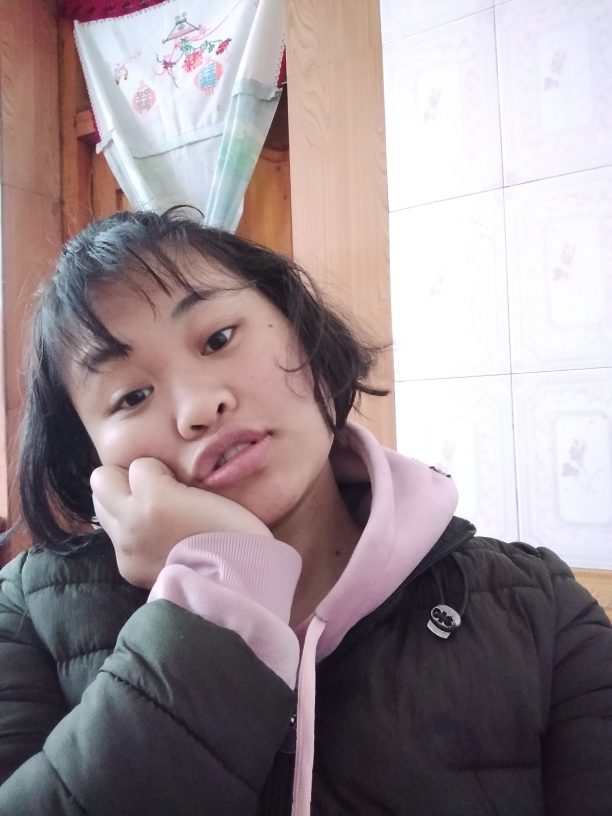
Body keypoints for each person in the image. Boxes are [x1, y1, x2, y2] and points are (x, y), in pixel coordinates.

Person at [0, 209, 610, 816]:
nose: (199, 407)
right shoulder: (27, 614)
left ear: (300, 328)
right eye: (132, 396)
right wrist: (220, 593)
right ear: (89, 454)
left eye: (219, 339)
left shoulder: (544, 613)